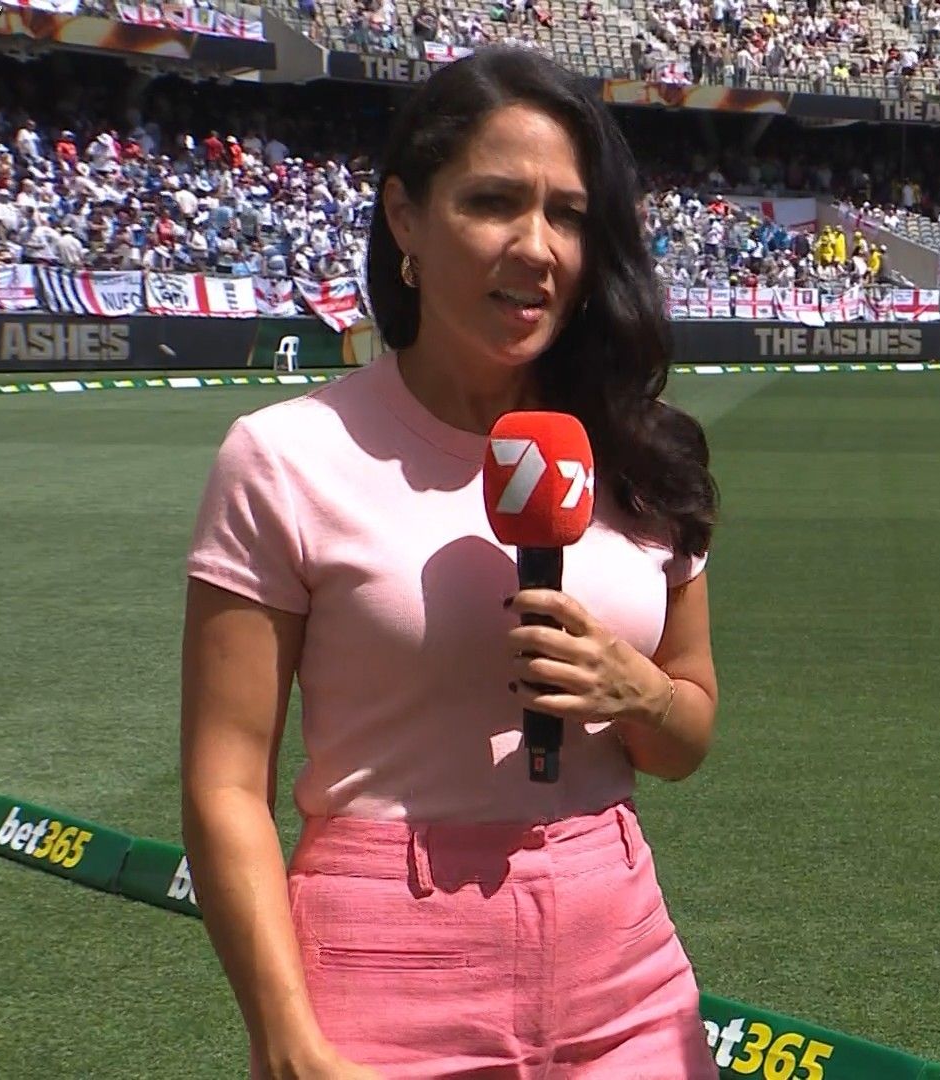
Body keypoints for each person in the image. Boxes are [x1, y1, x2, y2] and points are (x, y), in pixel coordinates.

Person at [180, 47, 722, 1079]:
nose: (537, 247)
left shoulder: (650, 457)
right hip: (380, 969)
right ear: (406, 220)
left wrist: (638, 692)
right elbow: (225, 783)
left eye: (568, 214)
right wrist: (285, 1037)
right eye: (493, 202)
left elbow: (686, 736)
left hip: (627, 970)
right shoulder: (285, 457)